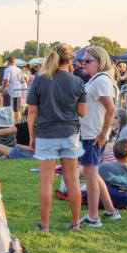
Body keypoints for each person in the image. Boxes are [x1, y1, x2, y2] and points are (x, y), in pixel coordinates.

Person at [26, 43, 86, 231]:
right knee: (73, 180)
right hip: (69, 135)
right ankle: (76, 224)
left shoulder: (40, 79)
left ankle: (44, 225)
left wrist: (31, 136)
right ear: (69, 61)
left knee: (46, 182)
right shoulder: (77, 81)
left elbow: (31, 112)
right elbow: (82, 112)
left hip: (46, 135)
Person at [78, 46, 121, 227]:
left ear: (100, 62)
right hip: (93, 133)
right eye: (83, 61)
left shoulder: (101, 80)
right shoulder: (98, 79)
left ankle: (93, 217)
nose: (83, 64)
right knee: (93, 173)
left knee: (90, 174)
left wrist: (103, 134)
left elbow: (111, 110)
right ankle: (111, 211)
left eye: (88, 61)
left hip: (93, 135)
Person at [2, 56, 24, 122]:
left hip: (10, 92)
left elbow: (6, 81)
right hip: (17, 92)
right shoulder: (19, 70)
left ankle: (9, 125)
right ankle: (18, 125)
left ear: (8, 62)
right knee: (16, 110)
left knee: (8, 110)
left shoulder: (7, 69)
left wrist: (3, 89)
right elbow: (22, 81)